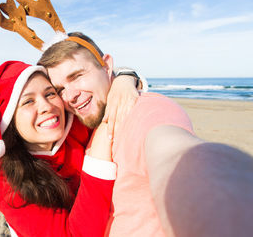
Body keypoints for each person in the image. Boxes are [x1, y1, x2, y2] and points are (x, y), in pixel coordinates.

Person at [38, 32, 253, 237]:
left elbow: (175, 155)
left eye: (77, 76)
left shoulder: (148, 110)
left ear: (106, 66)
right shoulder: (85, 125)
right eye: (59, 90)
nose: (70, 96)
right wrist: (126, 75)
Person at [0, 60, 139, 237]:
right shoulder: (0, 176)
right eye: (28, 102)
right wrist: (98, 154)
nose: (47, 106)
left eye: (49, 94)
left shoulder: (75, 125)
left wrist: (125, 80)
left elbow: (105, 83)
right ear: (9, 120)